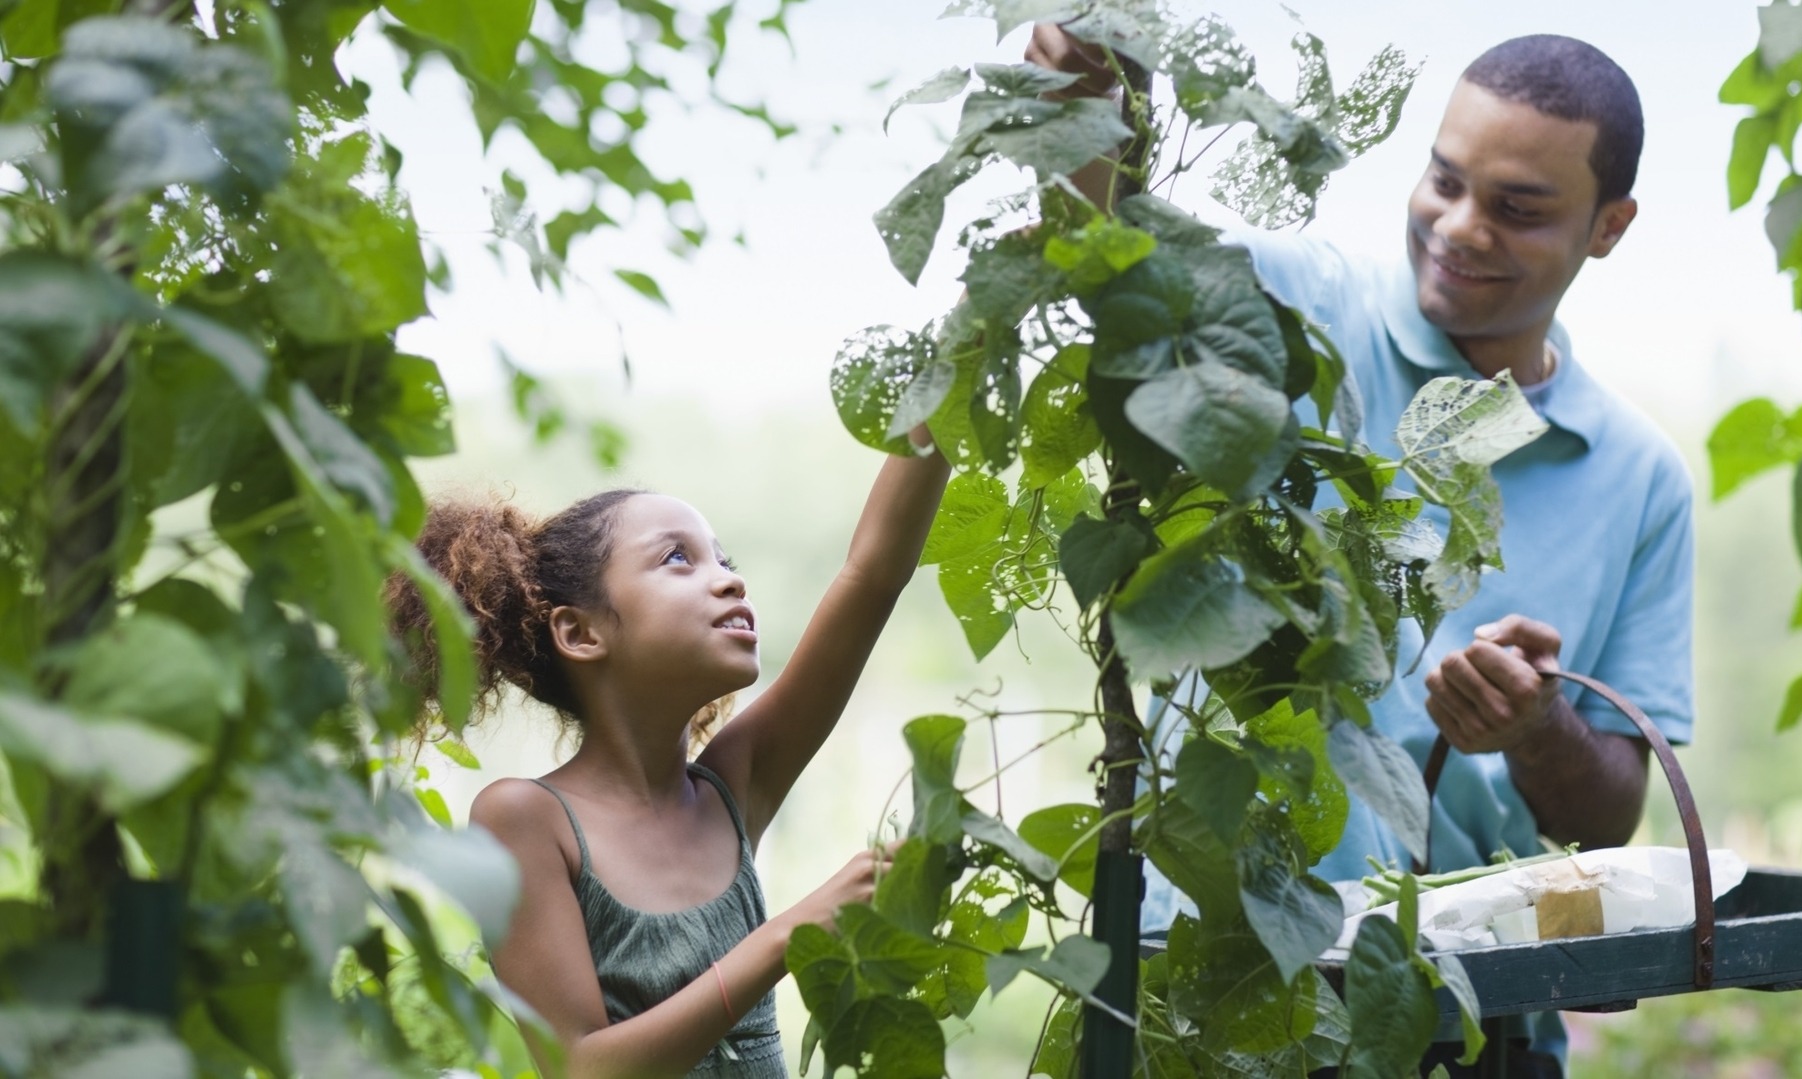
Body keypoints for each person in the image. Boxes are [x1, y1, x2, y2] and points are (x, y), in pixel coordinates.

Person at [1029, 26, 1693, 1076]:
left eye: (1519, 208)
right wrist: (1078, 110)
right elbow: (1110, 250)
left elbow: (1611, 813)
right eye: (1445, 181)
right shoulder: (1301, 309)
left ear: (1609, 226)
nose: (1462, 228)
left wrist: (1536, 722)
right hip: (1221, 976)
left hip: (1471, 1015)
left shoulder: (1641, 477)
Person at [387, 436, 949, 1078]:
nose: (729, 578)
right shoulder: (524, 820)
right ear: (580, 632)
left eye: (724, 559)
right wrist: (787, 936)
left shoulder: (733, 786)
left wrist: (947, 394)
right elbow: (581, 1068)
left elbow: (871, 576)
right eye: (678, 558)